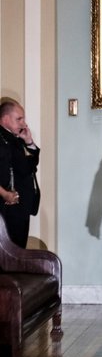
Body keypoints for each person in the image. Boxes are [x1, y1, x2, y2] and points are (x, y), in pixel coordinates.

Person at [0, 100, 40, 247]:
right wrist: (4, 193)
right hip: (7, 209)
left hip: (20, 208)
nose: (24, 124)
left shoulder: (15, 138)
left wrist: (29, 142)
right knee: (10, 254)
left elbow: (30, 166)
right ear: (5, 119)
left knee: (18, 252)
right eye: (19, 119)